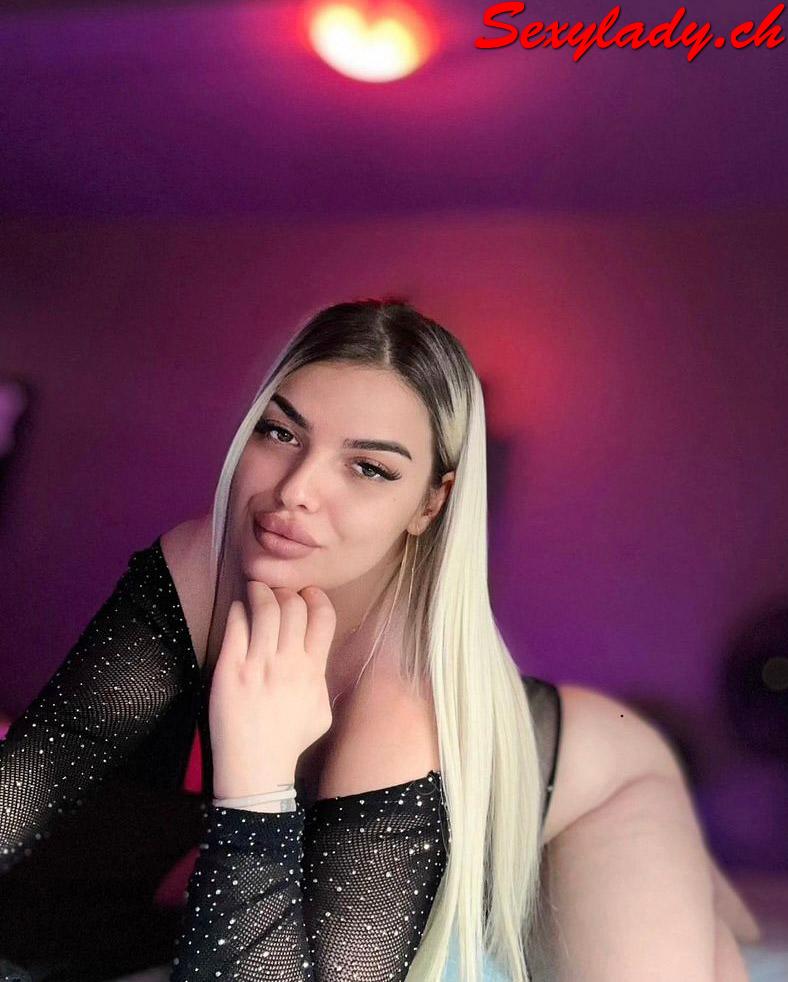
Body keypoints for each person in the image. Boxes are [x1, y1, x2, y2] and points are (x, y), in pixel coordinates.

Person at [0, 299, 760, 982]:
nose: (296, 489)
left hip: (596, 798)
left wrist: (256, 779)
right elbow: (29, 783)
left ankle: (701, 892)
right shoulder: (199, 566)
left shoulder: (402, 703)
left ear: (431, 503)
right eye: (280, 432)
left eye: (367, 468)